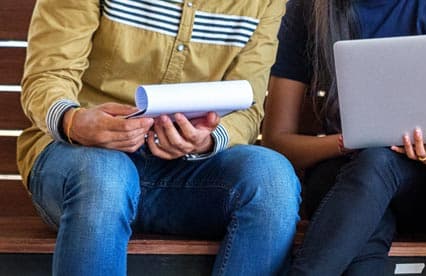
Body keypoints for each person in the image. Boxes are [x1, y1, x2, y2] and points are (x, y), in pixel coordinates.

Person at [17, 0, 297, 275]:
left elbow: (247, 109)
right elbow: (48, 77)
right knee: (106, 175)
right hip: (81, 167)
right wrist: (74, 122)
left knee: (272, 179)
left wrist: (206, 140)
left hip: (184, 177)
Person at [259, 0, 426, 274]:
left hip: (425, 186)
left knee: (376, 165)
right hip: (343, 179)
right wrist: (348, 142)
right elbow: (277, 140)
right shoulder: (308, 9)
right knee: (371, 185)